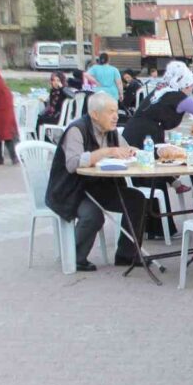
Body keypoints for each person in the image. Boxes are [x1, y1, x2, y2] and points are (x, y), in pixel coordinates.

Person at [44, 92, 145, 271]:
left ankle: (127, 255)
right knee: (93, 214)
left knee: (136, 200)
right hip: (72, 189)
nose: (116, 116)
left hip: (100, 186)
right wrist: (105, 153)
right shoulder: (77, 130)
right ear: (95, 114)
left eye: (116, 111)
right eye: (111, 112)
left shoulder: (112, 131)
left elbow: (125, 150)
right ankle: (74, 257)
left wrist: (139, 153)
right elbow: (72, 164)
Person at [123, 61, 193, 238]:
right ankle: (160, 229)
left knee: (148, 177)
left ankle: (150, 227)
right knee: (153, 178)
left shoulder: (161, 90)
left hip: (133, 132)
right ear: (185, 84)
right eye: (192, 85)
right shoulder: (179, 98)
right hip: (146, 135)